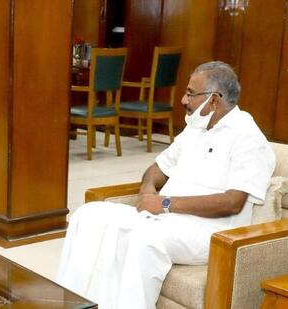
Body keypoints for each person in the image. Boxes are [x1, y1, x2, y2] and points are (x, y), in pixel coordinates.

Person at [56, 61, 276, 308]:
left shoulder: (247, 137)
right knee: (88, 216)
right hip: (167, 218)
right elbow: (157, 169)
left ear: (214, 100)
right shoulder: (196, 129)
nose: (183, 99)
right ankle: (72, 304)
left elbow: (232, 202)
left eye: (191, 93)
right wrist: (147, 190)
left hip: (210, 231)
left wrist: (165, 203)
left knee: (142, 238)